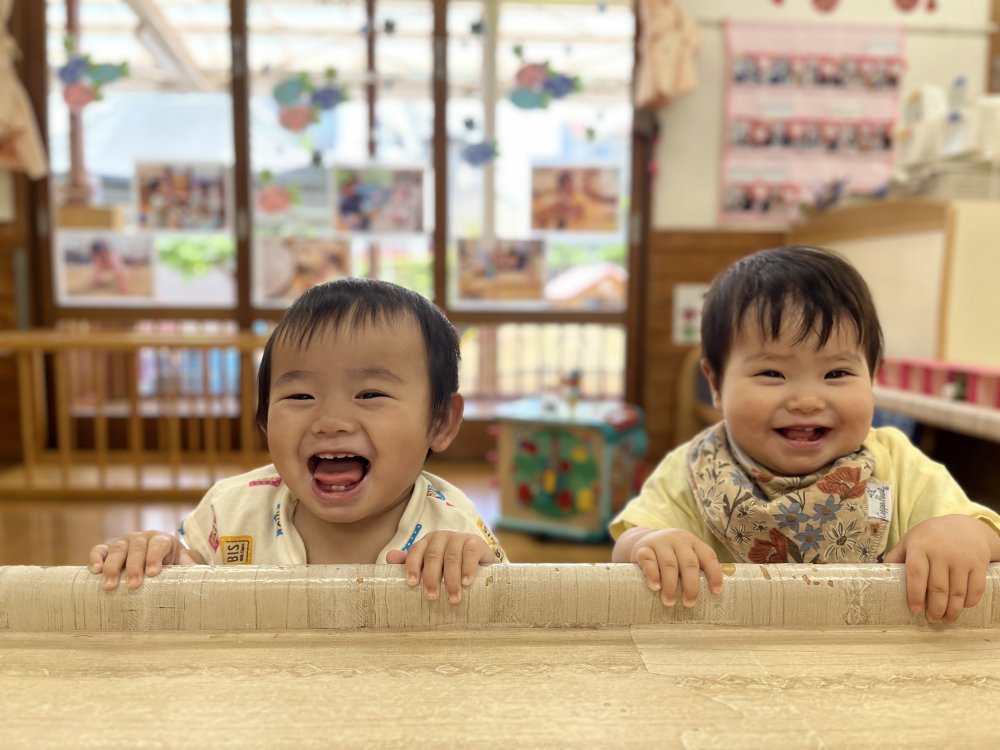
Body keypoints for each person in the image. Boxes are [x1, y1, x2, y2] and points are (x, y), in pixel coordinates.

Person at [611, 245, 1000, 624]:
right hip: (733, 663)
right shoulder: (692, 470)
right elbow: (632, 540)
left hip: (871, 665)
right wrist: (650, 544)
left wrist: (962, 534)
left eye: (837, 374)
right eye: (772, 374)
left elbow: (984, 533)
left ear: (873, 376)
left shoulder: (895, 464)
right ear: (715, 383)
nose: (807, 401)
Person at [90, 278, 507, 603]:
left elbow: (513, 603)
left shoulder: (450, 522)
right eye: (300, 396)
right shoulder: (234, 509)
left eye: (369, 394)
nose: (331, 421)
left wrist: (473, 565)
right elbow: (188, 581)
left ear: (440, 421)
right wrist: (156, 557)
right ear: (265, 418)